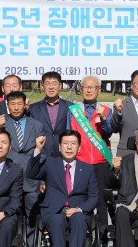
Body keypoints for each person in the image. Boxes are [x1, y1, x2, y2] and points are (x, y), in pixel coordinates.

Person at [27, 130, 100, 247]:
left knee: (79, 218)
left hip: (78, 211)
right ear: (59, 147)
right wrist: (38, 149)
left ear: (79, 148)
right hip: (54, 211)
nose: (69, 147)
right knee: (57, 220)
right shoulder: (50, 164)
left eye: (73, 144)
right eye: (65, 143)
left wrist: (79, 209)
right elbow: (31, 173)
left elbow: (94, 197)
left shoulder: (88, 169)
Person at [66, 76, 113, 240]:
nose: (88, 90)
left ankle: (102, 238)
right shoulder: (74, 110)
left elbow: (109, 132)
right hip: (80, 162)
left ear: (99, 90)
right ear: (81, 90)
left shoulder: (106, 110)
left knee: (101, 202)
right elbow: (68, 135)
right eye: (85, 87)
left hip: (101, 163)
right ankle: (82, 235)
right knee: (80, 200)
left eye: (92, 87)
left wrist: (104, 119)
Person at [0, 90, 44, 241]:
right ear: (7, 105)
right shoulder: (2, 123)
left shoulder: (36, 125)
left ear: (25, 105)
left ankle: (31, 242)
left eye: (19, 104)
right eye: (12, 104)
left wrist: (42, 179)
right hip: (8, 176)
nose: (16, 107)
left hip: (31, 178)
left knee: (32, 216)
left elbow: (42, 154)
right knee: (8, 215)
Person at [30, 71, 75, 156]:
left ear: (60, 86)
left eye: (54, 83)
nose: (51, 87)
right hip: (42, 153)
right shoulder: (33, 108)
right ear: (42, 86)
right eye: (47, 83)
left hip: (64, 153)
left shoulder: (71, 107)